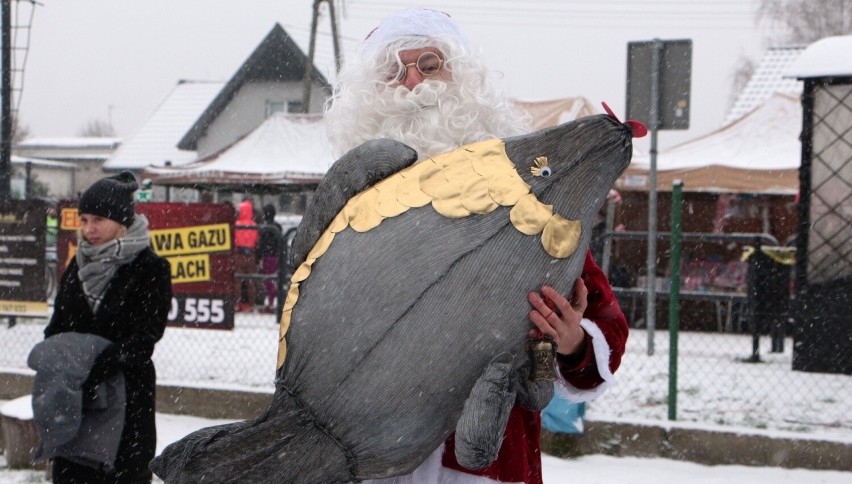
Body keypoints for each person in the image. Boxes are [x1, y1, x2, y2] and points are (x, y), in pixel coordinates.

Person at [325, 9, 628, 484]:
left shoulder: (527, 191)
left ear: (464, 80)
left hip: (485, 462)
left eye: (429, 64)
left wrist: (571, 341)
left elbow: (603, 325)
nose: (412, 83)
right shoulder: (344, 207)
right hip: (365, 458)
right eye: (392, 71)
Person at [42, 171, 172, 483]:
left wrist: (94, 366)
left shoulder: (150, 268)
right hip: (76, 403)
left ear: (122, 220)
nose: (89, 229)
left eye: (98, 219)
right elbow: (57, 325)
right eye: (84, 220)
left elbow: (144, 338)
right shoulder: (78, 265)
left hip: (126, 401)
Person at [256, 203, 284, 313]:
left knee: (268, 281)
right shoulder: (277, 226)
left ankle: (271, 304)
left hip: (268, 256)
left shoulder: (265, 227)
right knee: (272, 280)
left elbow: (261, 244)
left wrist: (259, 257)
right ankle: (272, 303)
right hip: (275, 256)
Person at [233, 198, 259, 312]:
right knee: (250, 282)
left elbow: (234, 239)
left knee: (237, 282)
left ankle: (237, 304)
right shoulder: (254, 225)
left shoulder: (236, 224)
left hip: (239, 255)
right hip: (250, 255)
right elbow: (257, 240)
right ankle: (252, 304)